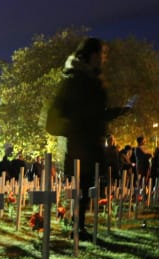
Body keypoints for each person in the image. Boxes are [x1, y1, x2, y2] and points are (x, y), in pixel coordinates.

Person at [47, 37, 128, 240]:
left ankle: (79, 225)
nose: (103, 59)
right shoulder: (74, 80)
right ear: (91, 55)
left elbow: (96, 114)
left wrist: (118, 112)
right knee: (81, 187)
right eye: (101, 54)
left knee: (86, 187)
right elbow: (66, 115)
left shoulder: (93, 81)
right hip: (79, 144)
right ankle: (77, 227)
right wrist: (79, 127)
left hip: (91, 143)